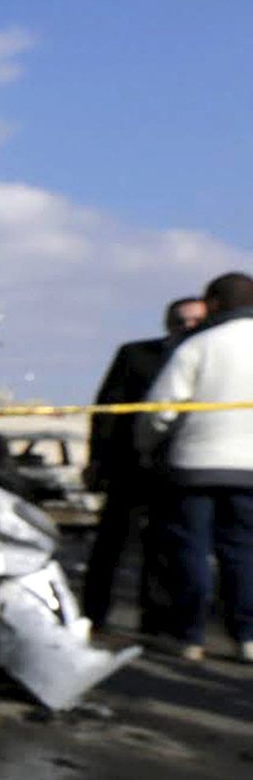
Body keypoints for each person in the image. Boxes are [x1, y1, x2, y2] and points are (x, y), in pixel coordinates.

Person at [139, 271, 253, 663]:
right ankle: (247, 636)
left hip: (194, 465)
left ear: (215, 304)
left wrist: (147, 447)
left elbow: (160, 410)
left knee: (191, 550)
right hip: (250, 471)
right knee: (243, 552)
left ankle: (190, 635)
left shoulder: (199, 345)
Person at [82, 296, 206, 631]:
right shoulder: (135, 355)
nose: (187, 327)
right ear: (168, 323)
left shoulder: (208, 359)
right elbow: (107, 409)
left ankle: (155, 620)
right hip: (128, 464)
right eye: (180, 320)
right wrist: (96, 459)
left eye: (195, 320)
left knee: (164, 547)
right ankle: (94, 612)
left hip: (178, 467)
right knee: (111, 543)